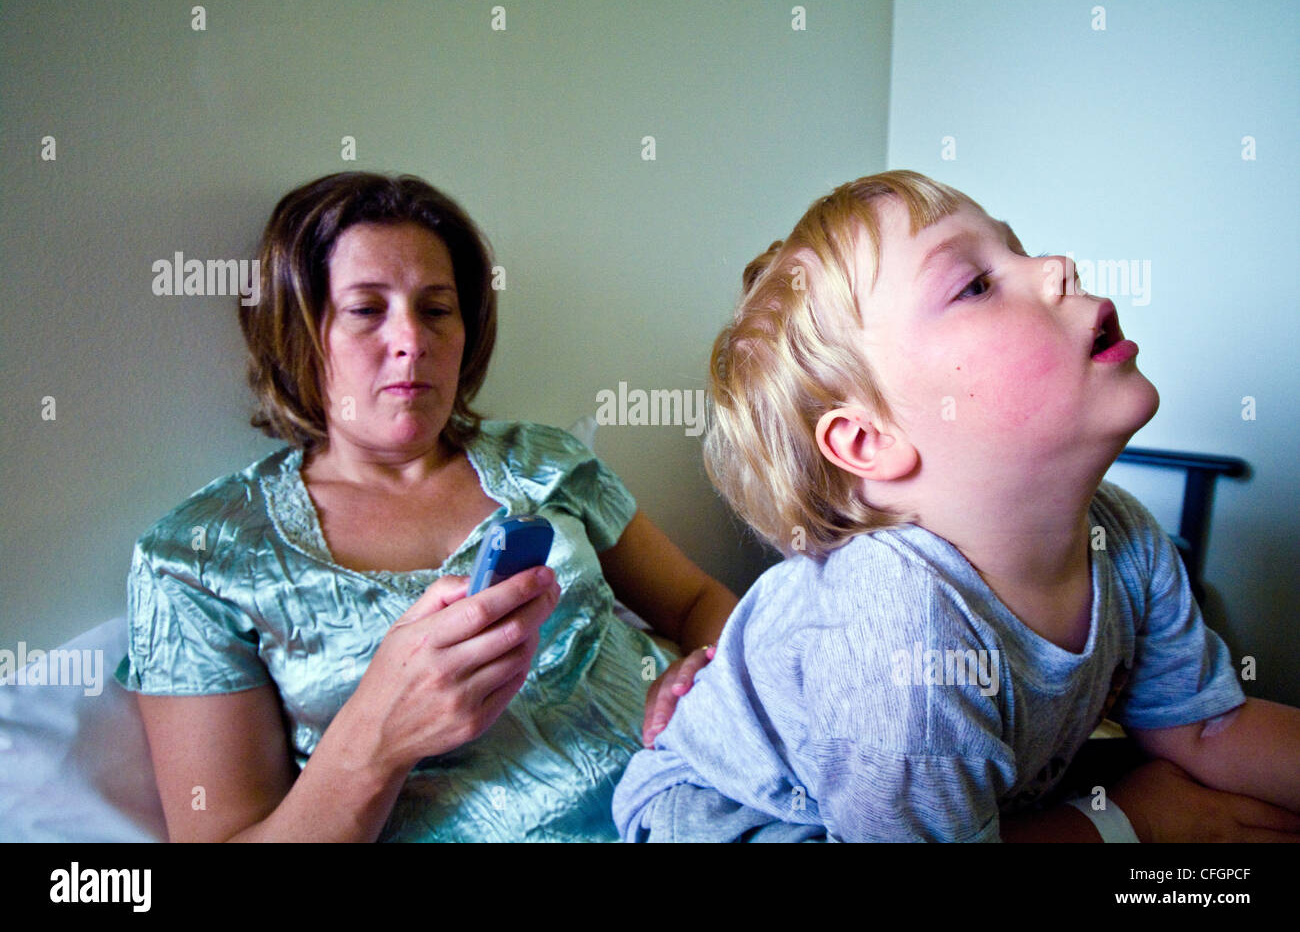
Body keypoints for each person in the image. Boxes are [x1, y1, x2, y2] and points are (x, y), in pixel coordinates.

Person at [612, 170, 1300, 842]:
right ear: (867, 439)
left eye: (1019, 247)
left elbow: (1204, 728)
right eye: (975, 284)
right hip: (733, 817)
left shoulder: (1123, 538)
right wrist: (1130, 819)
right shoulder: (896, 630)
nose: (1059, 266)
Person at [116, 171, 737, 842]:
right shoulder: (197, 560)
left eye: (436, 309)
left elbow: (697, 600)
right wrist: (378, 736)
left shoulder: (546, 463)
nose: (412, 340)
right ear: (297, 331)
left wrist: (699, 677)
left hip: (701, 806)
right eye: (366, 309)